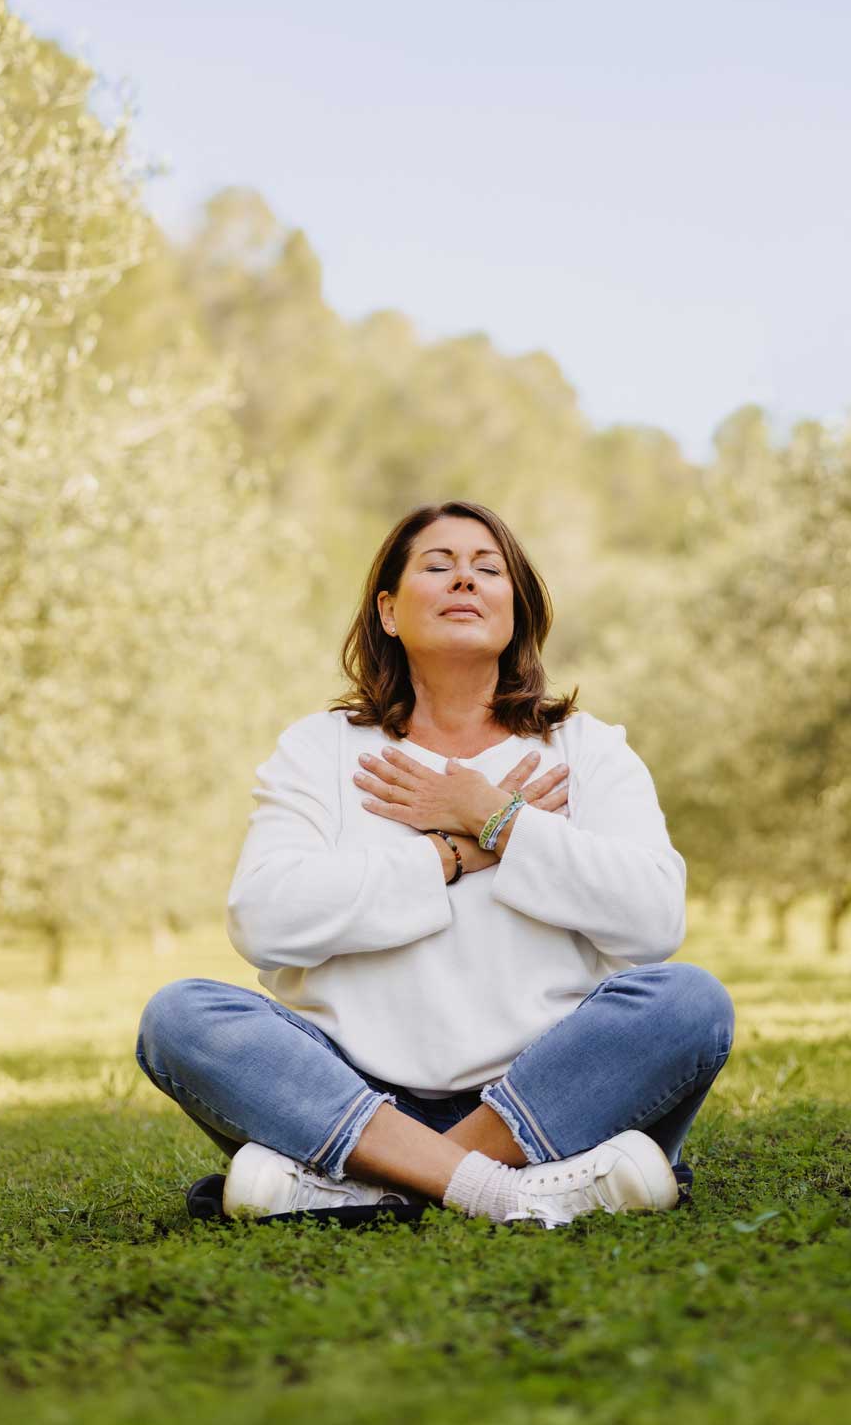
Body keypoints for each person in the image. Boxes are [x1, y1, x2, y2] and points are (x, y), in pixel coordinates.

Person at [136, 498, 735, 1227]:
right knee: (181, 1018)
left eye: (488, 569)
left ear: (515, 608)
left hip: (547, 1090)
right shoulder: (318, 748)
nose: (465, 581)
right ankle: (511, 1193)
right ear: (388, 610)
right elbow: (264, 920)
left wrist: (498, 817)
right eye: (439, 566)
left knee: (690, 1004)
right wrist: (449, 854)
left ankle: (367, 1187)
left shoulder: (588, 748)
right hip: (354, 1091)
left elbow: (653, 920)